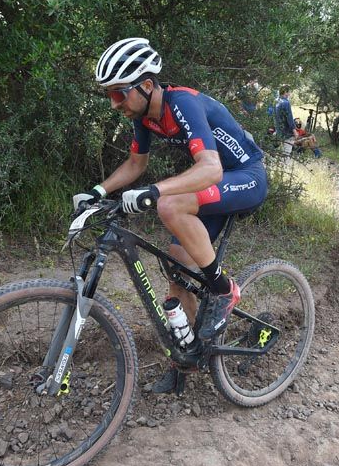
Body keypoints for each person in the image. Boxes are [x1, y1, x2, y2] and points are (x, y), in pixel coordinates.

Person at [75, 37, 267, 393]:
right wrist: (98, 192)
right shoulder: (145, 116)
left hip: (246, 177)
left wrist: (155, 190)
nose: (115, 104)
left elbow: (209, 168)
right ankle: (188, 359)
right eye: (109, 96)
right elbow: (135, 163)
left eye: (120, 93)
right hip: (215, 186)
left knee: (168, 204)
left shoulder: (183, 103)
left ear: (147, 86)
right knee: (177, 270)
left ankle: (224, 290)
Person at [274, 85, 296, 158]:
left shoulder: (276, 101)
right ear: (285, 92)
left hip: (278, 130)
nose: (289, 93)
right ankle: (286, 166)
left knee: (281, 150)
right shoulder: (286, 102)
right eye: (289, 92)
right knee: (286, 152)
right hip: (287, 131)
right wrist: (294, 130)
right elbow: (289, 117)